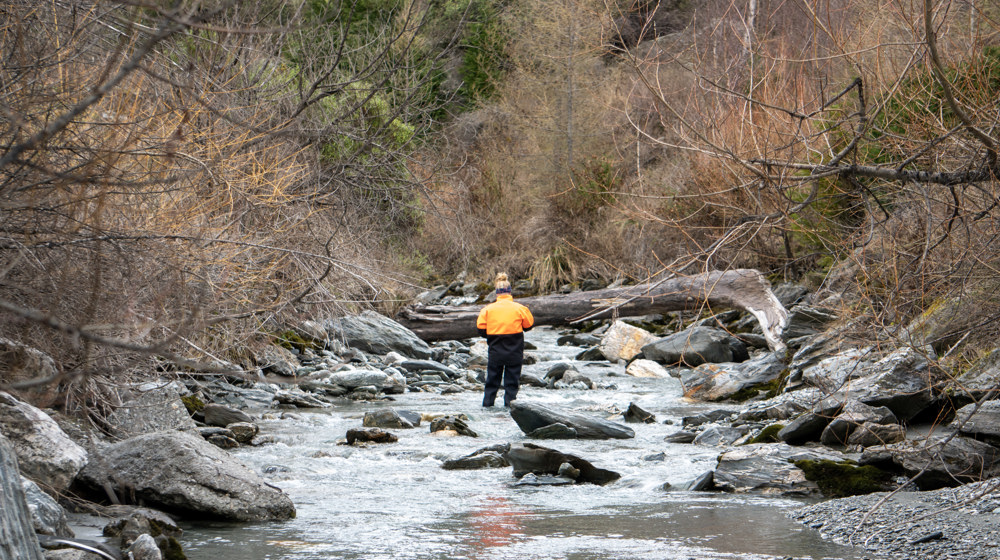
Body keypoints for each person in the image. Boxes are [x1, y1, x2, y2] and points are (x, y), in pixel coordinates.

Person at [476, 273, 534, 408]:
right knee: (512, 382)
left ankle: (487, 405)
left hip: (496, 350)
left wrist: (493, 334)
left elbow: (481, 330)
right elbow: (528, 325)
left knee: (492, 381)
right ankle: (510, 407)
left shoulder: (487, 309)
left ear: (497, 293)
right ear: (510, 292)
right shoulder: (520, 308)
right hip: (515, 350)